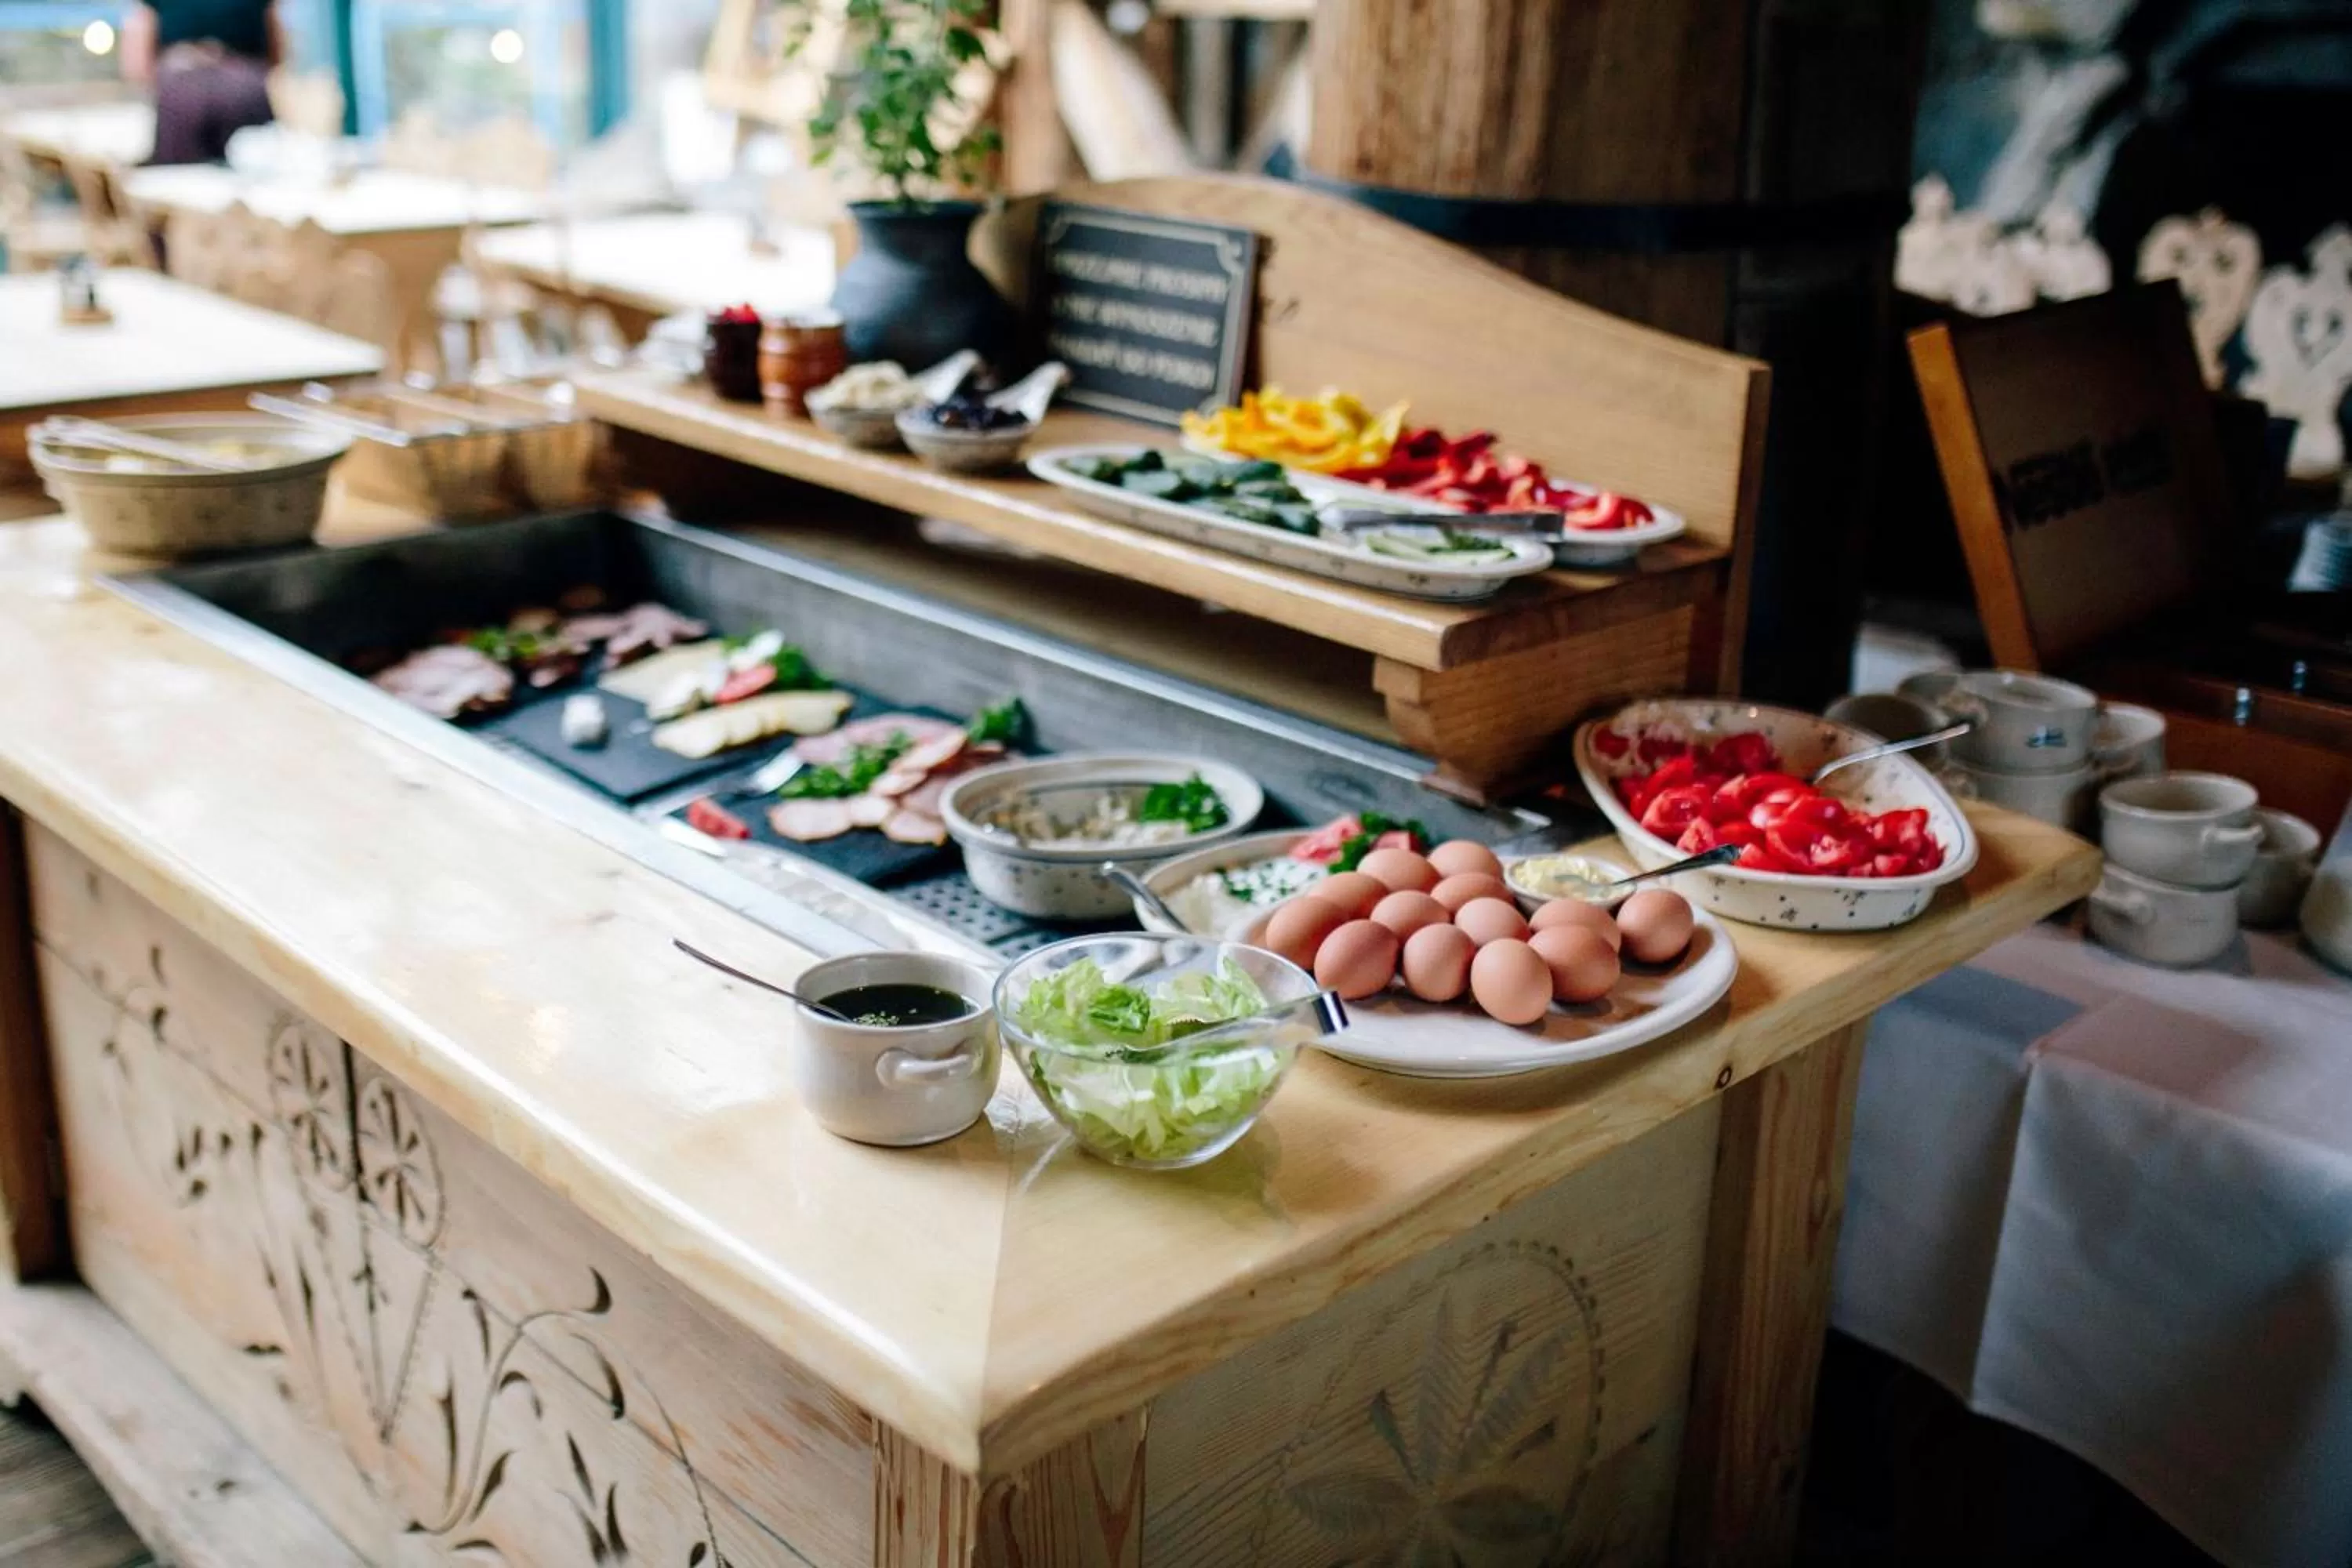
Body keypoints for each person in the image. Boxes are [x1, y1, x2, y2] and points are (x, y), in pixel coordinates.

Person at [120, 1, 283, 166]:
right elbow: (276, 46)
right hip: (244, 87)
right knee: (253, 174)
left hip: (182, 90)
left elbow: (137, 59)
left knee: (176, 180)